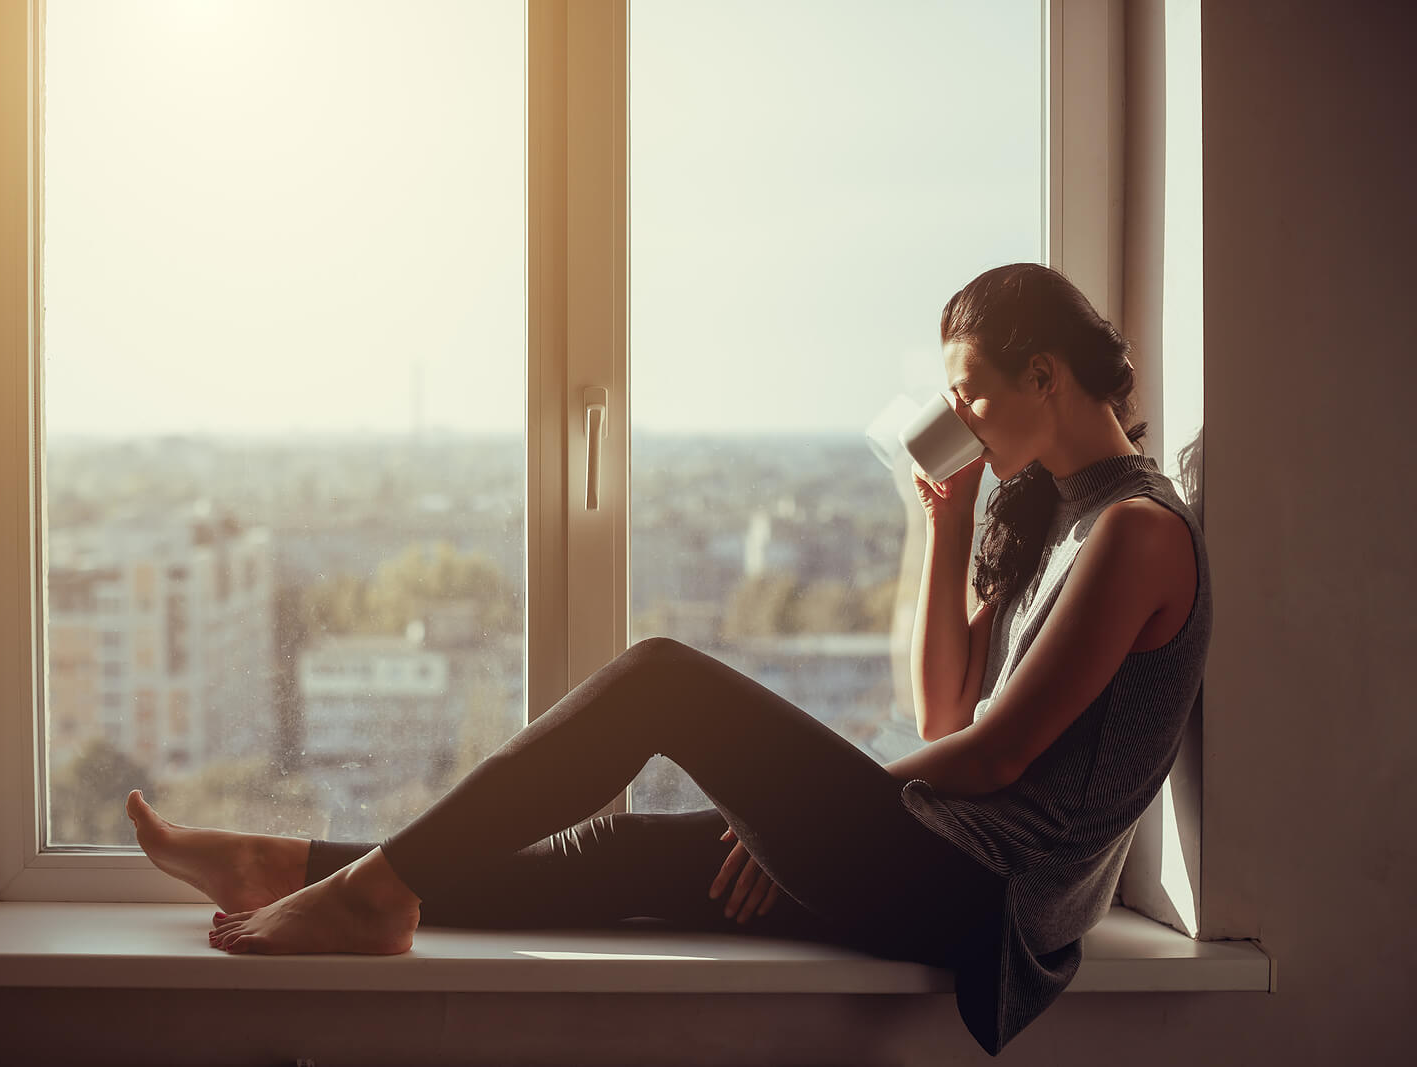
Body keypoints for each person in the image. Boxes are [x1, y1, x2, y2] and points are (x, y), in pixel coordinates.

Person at [125, 261, 1210, 1057]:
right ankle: (297, 867)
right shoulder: (1051, 511)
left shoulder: (1136, 532)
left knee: (660, 679)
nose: (960, 420)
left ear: (1045, 375)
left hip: (991, 895)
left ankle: (373, 891)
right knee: (628, 853)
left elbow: (1001, 752)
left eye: (970, 392)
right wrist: (941, 523)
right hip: (943, 848)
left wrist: (799, 813)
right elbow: (941, 708)